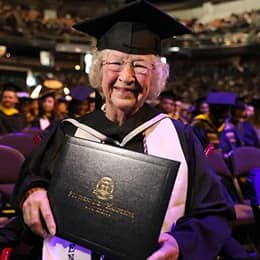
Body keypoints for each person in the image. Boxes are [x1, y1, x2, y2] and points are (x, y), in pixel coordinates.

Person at [13, 1, 235, 259]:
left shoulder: (180, 138)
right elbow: (30, 178)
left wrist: (180, 245)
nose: (126, 77)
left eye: (140, 65)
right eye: (115, 63)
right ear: (98, 69)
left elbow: (215, 213)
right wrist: (33, 192)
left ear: (155, 77)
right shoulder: (68, 132)